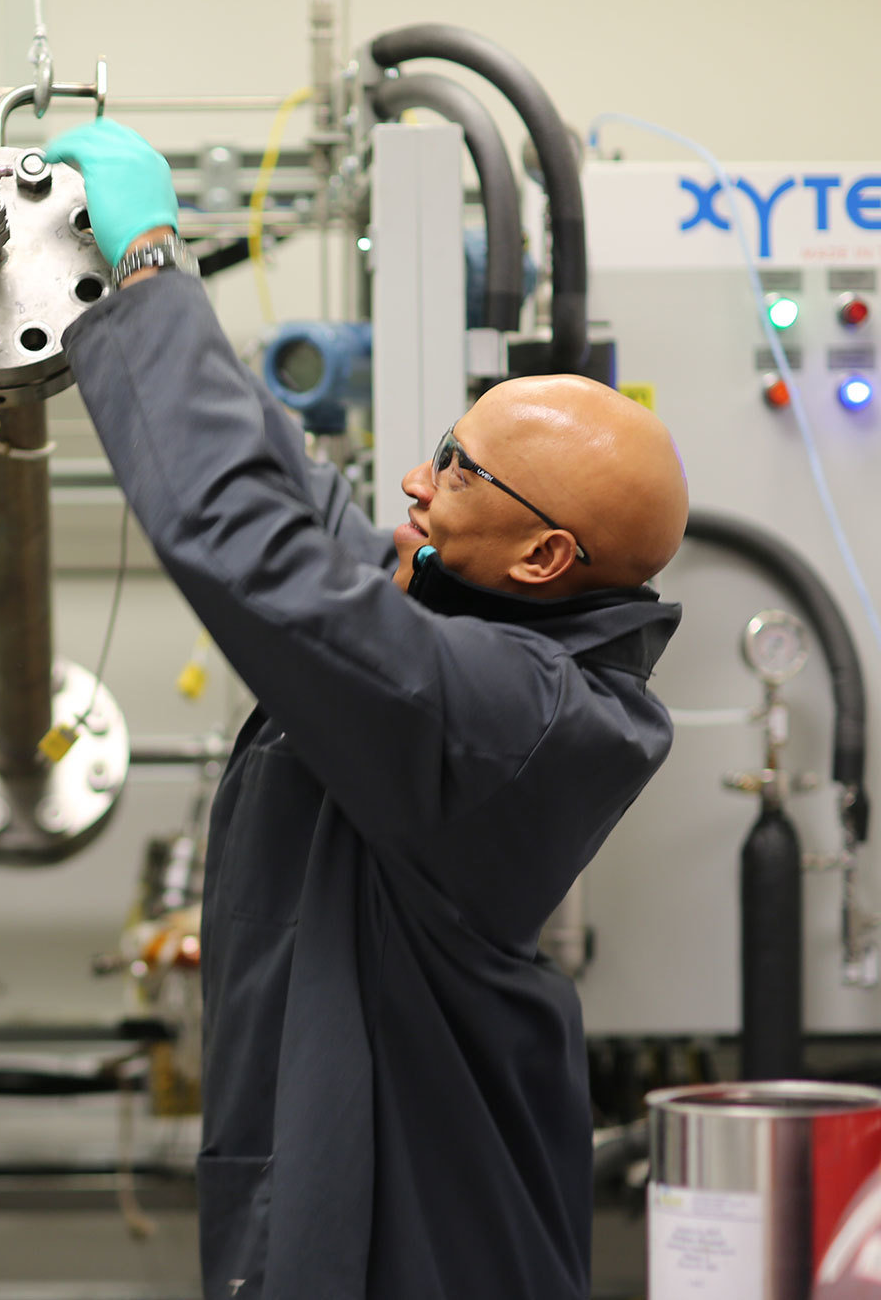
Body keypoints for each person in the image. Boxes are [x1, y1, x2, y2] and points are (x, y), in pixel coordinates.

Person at [46, 119, 690, 1300]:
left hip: (423, 1249)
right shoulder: (486, 649)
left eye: (453, 465)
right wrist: (137, 287)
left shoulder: (511, 715)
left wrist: (147, 282)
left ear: (545, 556)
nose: (412, 479)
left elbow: (265, 566)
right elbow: (316, 535)